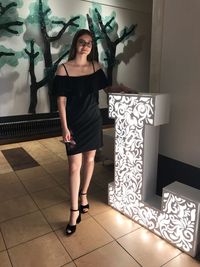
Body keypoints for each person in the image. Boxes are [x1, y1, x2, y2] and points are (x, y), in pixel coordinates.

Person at [54, 29, 131, 235]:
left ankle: (84, 195)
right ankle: (73, 212)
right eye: (82, 42)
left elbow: (107, 89)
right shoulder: (63, 69)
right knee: (73, 167)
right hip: (74, 124)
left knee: (89, 161)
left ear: (91, 47)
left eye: (89, 43)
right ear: (75, 44)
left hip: (93, 121)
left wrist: (123, 87)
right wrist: (64, 127)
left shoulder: (96, 66)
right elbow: (61, 101)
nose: (86, 46)